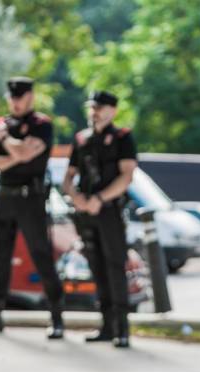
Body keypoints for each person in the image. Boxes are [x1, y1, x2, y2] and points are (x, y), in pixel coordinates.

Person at [0, 77, 65, 339]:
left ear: (30, 97)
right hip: (5, 197)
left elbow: (24, 155)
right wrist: (16, 151)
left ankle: (56, 318)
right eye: (11, 97)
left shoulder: (41, 125)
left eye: (19, 97)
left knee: (40, 255)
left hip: (30, 199)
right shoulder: (2, 123)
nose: (15, 102)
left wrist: (7, 143)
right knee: (0, 258)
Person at [62, 91, 137, 348]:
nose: (96, 112)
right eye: (93, 107)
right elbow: (68, 177)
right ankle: (106, 326)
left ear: (113, 110)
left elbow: (126, 176)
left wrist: (100, 199)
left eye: (101, 107)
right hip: (86, 212)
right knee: (97, 267)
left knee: (115, 267)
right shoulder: (82, 139)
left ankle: (122, 329)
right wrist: (78, 198)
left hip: (110, 211)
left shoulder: (122, 138)